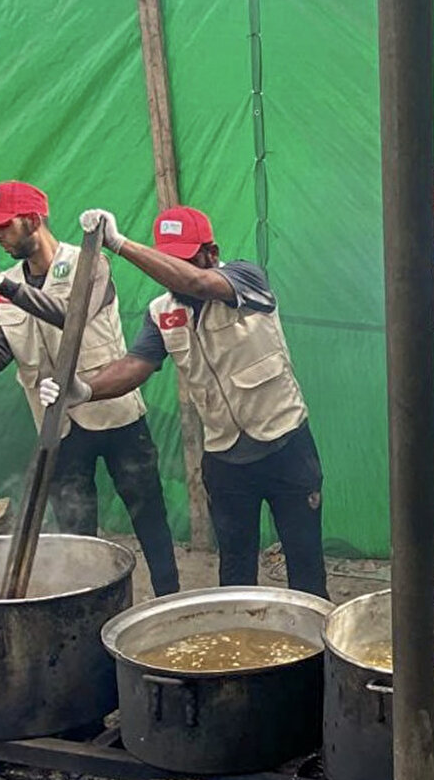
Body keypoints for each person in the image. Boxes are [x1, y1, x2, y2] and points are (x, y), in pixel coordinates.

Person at [39, 206, 328, 598]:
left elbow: (199, 283)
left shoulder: (245, 279)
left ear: (211, 253)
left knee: (306, 570)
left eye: (184, 258)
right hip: (225, 461)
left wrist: (120, 245)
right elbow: (134, 366)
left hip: (285, 448)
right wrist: (83, 389)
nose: (174, 270)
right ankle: (245, 654)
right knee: (236, 576)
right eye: (167, 258)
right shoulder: (163, 313)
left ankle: (314, 659)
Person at [0, 181, 180, 596]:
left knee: (148, 516)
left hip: (114, 413)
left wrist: (3, 285)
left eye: (3, 226)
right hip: (56, 425)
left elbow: (70, 316)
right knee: (75, 530)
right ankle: (91, 606)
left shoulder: (89, 263)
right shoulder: (8, 283)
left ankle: (170, 601)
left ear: (32, 220)